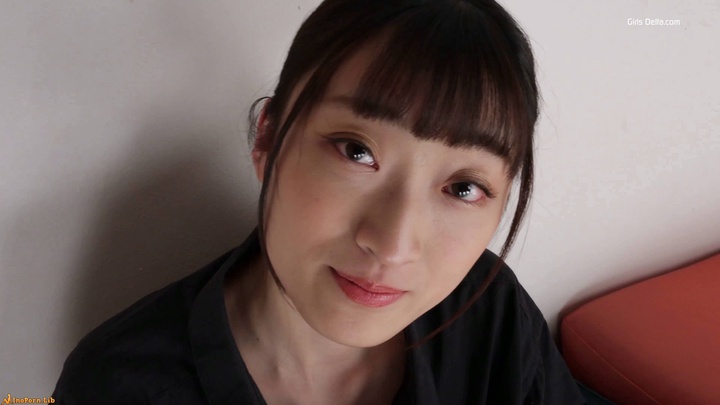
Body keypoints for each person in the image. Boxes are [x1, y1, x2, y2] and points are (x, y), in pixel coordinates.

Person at [53, 0, 587, 403]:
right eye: (357, 152)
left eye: (463, 188)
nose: (393, 245)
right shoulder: (117, 384)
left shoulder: (490, 314)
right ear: (268, 139)